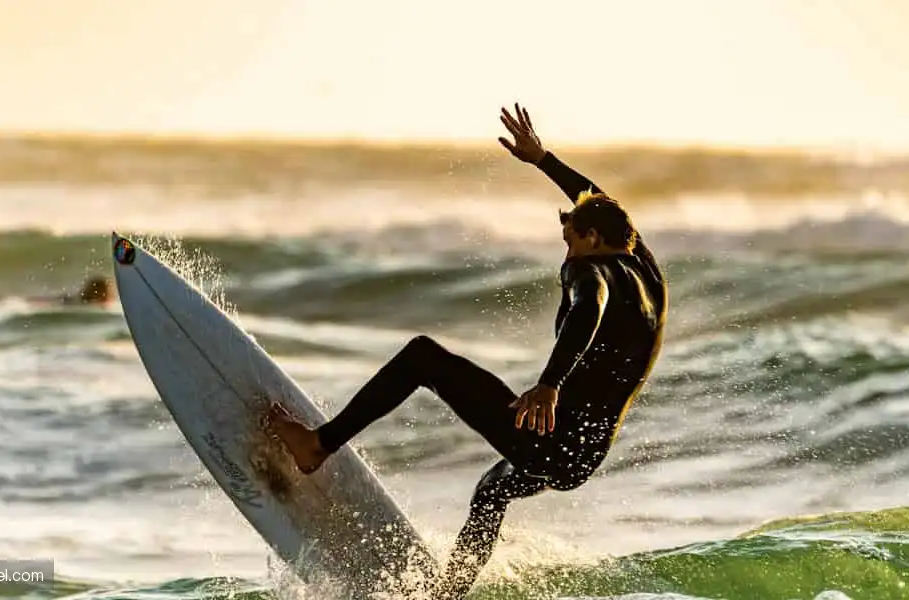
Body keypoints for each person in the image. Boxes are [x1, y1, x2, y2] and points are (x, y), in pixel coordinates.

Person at [262, 104, 668, 599]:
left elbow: (589, 310)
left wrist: (548, 385)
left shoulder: (589, 269)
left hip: (550, 438)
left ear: (591, 238)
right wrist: (542, 159)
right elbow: (599, 199)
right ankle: (448, 595)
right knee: (491, 491)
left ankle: (316, 446)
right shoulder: (645, 271)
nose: (565, 249)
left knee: (422, 357)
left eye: (569, 239)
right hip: (583, 457)